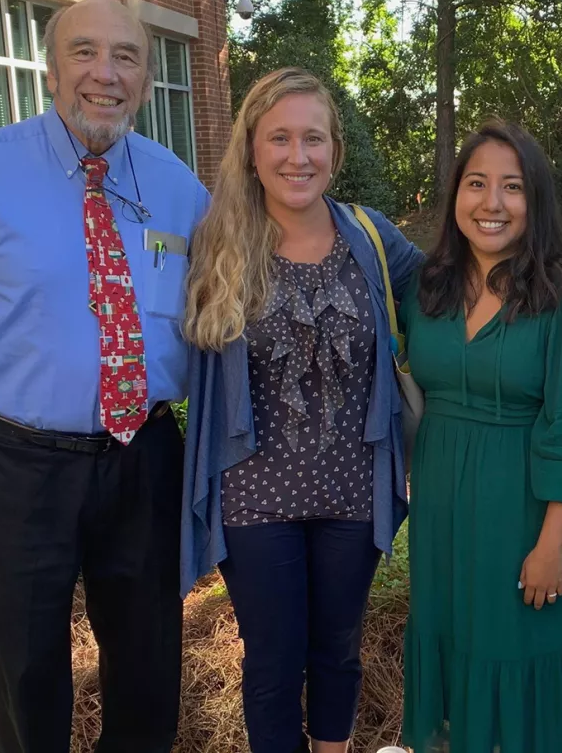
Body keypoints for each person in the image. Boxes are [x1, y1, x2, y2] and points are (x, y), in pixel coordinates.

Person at [0, 0, 209, 753]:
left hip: (144, 457)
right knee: (25, 669)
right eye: (84, 52)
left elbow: (223, 318)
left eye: (126, 57)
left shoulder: (182, 189)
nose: (104, 74)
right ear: (50, 68)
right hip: (19, 464)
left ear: (145, 77)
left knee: (147, 664)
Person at [179, 67, 421, 753]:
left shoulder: (372, 240)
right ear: (252, 150)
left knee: (339, 648)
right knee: (273, 659)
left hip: (352, 489)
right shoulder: (219, 245)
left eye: (313, 138)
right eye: (279, 138)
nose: (298, 155)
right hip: (254, 496)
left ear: (334, 151)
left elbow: (451, 287)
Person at [401, 121, 562, 753]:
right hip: (443, 518)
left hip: (529, 517)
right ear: (455, 196)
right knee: (456, 651)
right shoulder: (426, 289)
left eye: (512, 187)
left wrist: (551, 546)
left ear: (536, 200)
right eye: (476, 184)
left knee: (521, 658)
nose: (491, 203)